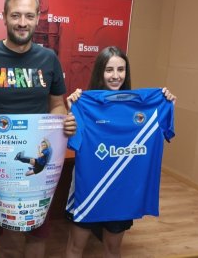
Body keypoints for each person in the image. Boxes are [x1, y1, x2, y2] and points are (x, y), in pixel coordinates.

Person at [0, 0, 77, 258]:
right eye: (15, 15)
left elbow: (58, 103)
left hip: (39, 162)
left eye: (28, 16)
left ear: (37, 18)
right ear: (4, 17)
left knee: (37, 228)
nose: (22, 22)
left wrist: (63, 123)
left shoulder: (48, 59)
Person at [65, 46, 176, 258]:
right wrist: (73, 110)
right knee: (74, 248)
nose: (116, 76)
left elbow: (165, 131)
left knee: (113, 249)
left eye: (121, 69)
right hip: (89, 191)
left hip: (123, 194)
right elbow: (72, 140)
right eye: (109, 70)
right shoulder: (83, 104)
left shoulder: (149, 108)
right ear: (100, 72)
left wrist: (168, 104)